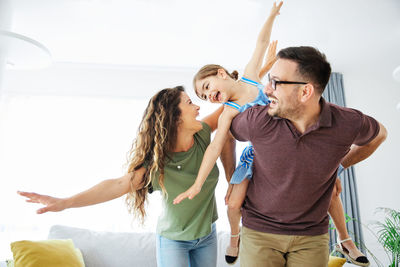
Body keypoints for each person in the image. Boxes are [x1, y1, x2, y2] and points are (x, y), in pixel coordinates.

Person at [18, 86, 236, 267]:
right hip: (173, 240)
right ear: (175, 118)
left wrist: (254, 72)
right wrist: (65, 202)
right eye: (189, 103)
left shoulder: (202, 136)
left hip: (207, 235)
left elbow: (233, 101)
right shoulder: (156, 165)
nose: (198, 107)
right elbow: (119, 184)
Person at [228, 46, 387, 267]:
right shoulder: (258, 120)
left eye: (275, 82)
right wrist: (230, 180)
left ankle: (346, 241)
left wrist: (339, 166)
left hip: (312, 238)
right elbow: (226, 133)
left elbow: (379, 135)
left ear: (305, 92)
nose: (266, 89)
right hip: (259, 233)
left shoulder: (346, 123)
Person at [172, 2, 282, 264]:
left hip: (279, 148)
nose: (208, 95)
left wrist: (271, 15)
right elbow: (214, 146)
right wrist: (197, 184)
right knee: (233, 203)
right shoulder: (228, 112)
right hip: (254, 156)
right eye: (203, 95)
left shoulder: (252, 77)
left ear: (221, 73)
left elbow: (261, 42)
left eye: (207, 86)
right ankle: (235, 236)